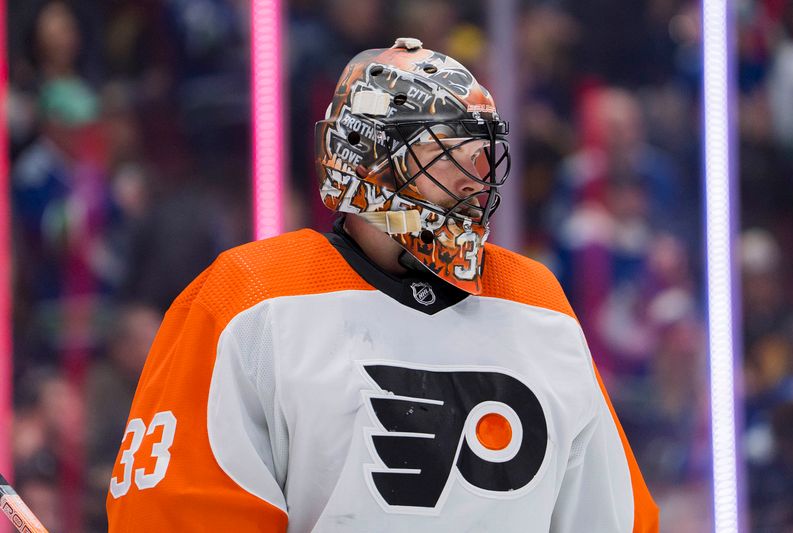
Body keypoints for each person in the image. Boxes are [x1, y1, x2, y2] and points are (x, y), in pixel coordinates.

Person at [106, 38, 658, 532]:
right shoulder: (250, 299)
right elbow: (180, 511)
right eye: (442, 152)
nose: (475, 177)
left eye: (480, 150)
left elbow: (613, 517)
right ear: (368, 161)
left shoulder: (538, 303)